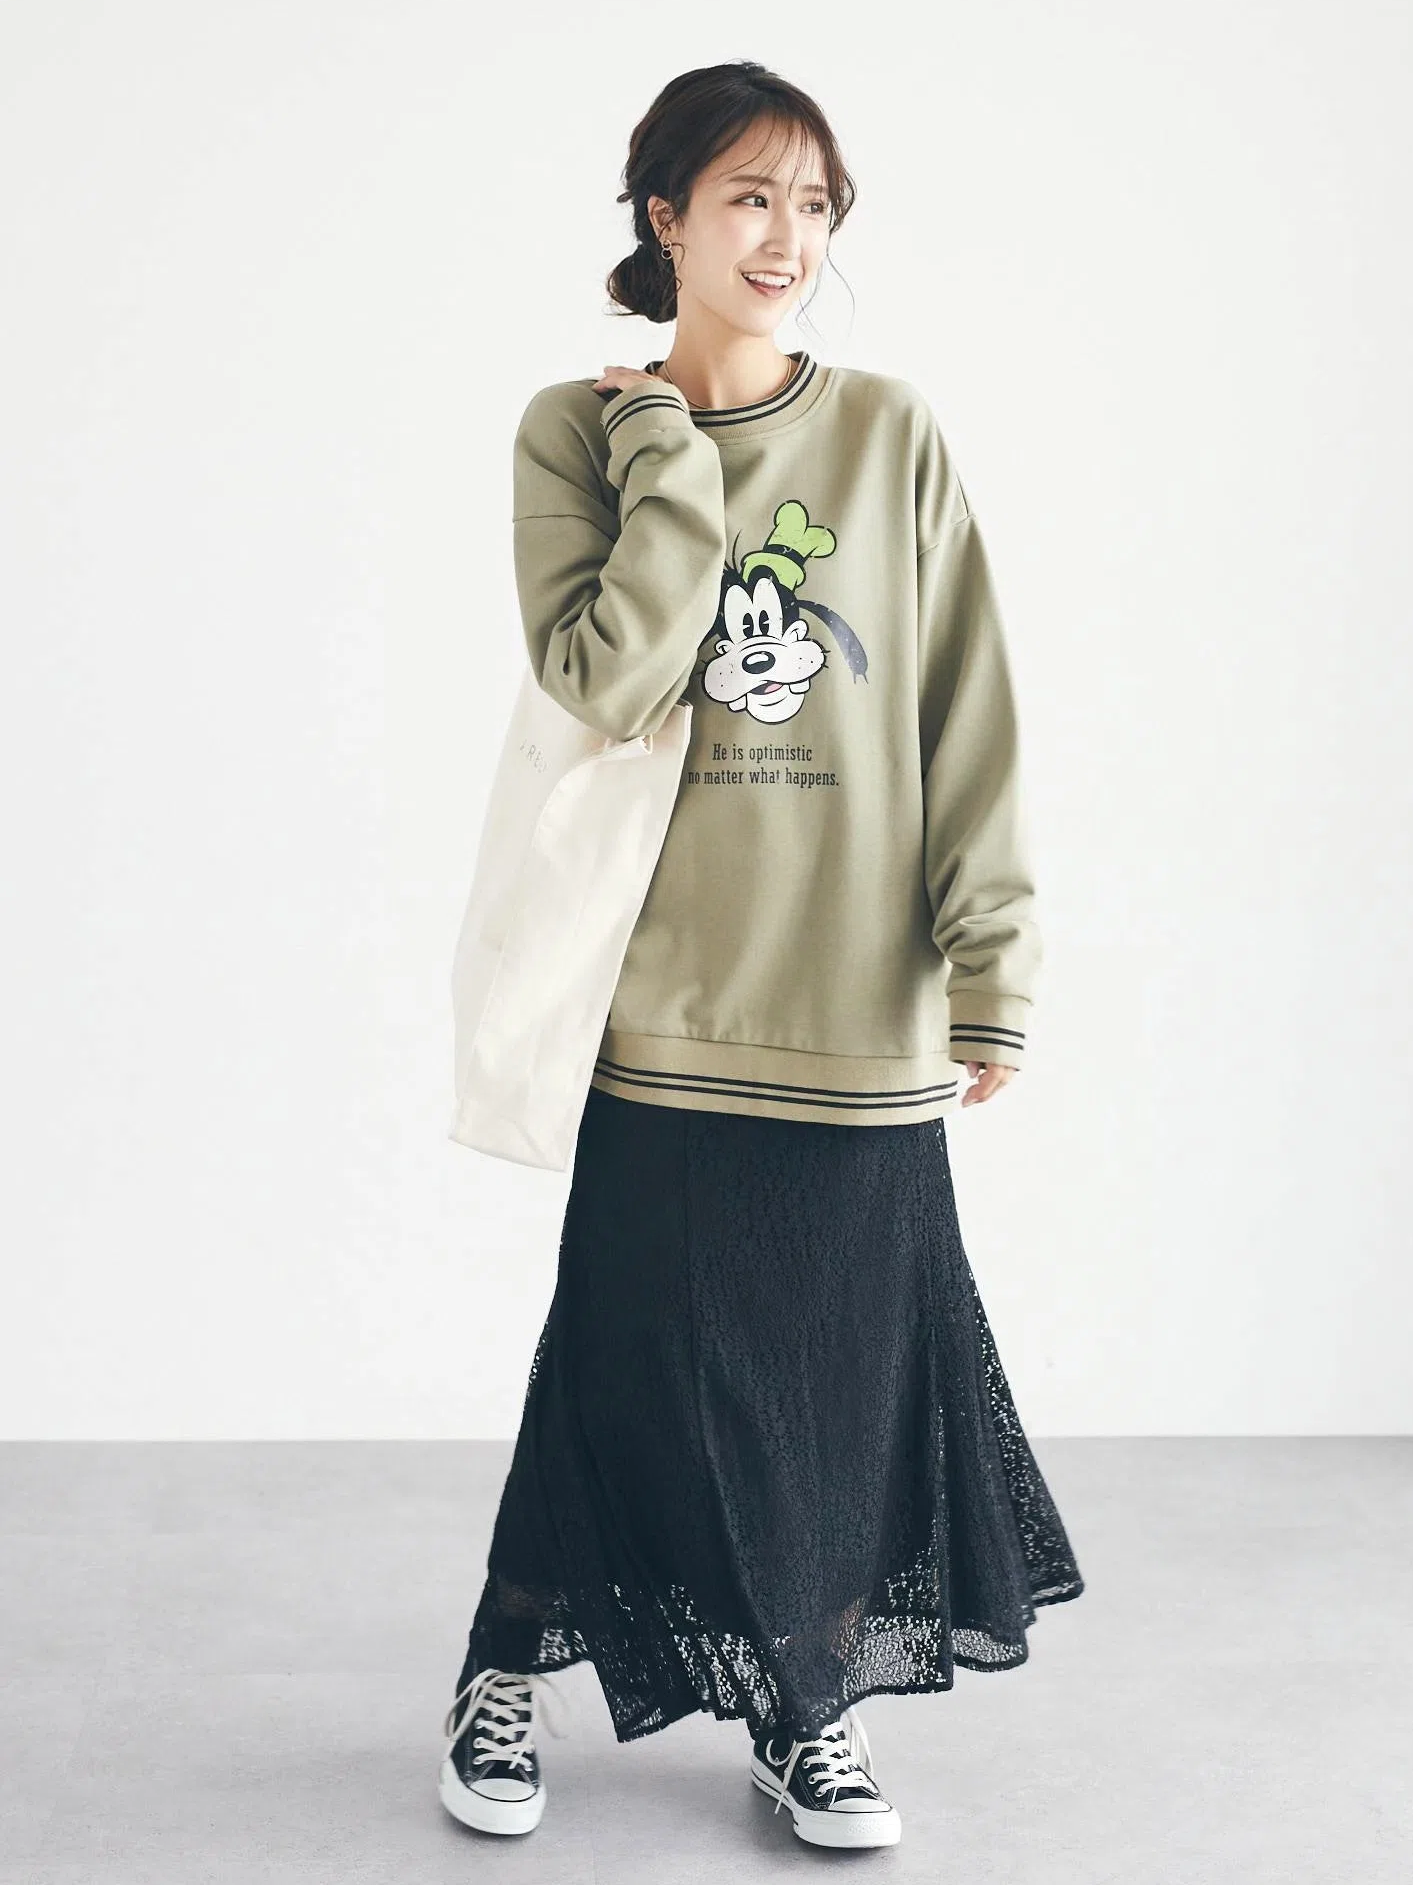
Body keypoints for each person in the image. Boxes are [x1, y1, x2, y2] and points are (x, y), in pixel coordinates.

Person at [438, 59, 1085, 1853]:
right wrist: (667, 455)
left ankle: (807, 1708)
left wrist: (994, 959)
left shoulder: (890, 434)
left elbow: (967, 709)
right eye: (748, 196)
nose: (787, 236)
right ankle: (505, 1663)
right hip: (660, 1001)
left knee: (841, 1377)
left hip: (856, 997)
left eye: (813, 204)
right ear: (665, 216)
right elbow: (609, 677)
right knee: (624, 1356)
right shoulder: (577, 432)